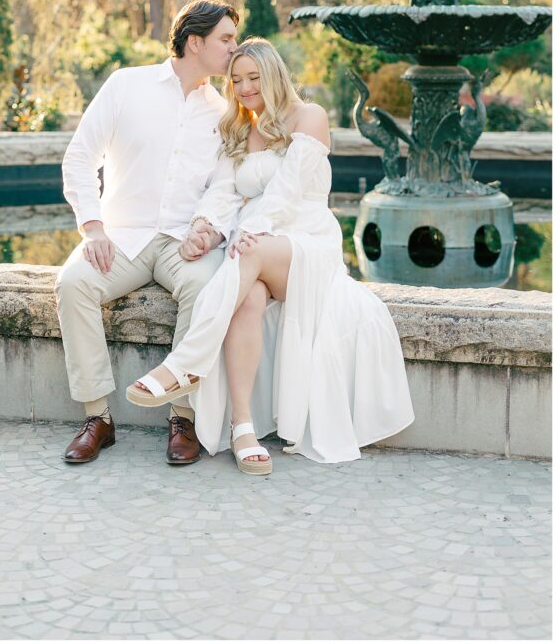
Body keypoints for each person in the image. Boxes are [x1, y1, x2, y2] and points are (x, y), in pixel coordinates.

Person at [127, 38, 414, 473]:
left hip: (306, 243)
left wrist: (252, 231)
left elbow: (287, 190)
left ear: (274, 75)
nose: (244, 88)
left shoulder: (309, 117)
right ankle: (243, 429)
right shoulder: (242, 129)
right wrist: (203, 229)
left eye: (253, 78)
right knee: (248, 300)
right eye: (236, 80)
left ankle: (185, 363)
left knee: (248, 254)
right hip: (256, 250)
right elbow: (224, 192)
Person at [55, 0, 240, 466]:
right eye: (225, 39)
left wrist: (209, 231)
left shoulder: (224, 111)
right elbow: (80, 157)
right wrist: (93, 228)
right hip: (122, 236)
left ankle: (183, 417)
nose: (233, 49)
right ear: (194, 42)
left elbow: (226, 186)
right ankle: (98, 418)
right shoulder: (126, 85)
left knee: (208, 287)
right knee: (73, 283)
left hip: (184, 241)